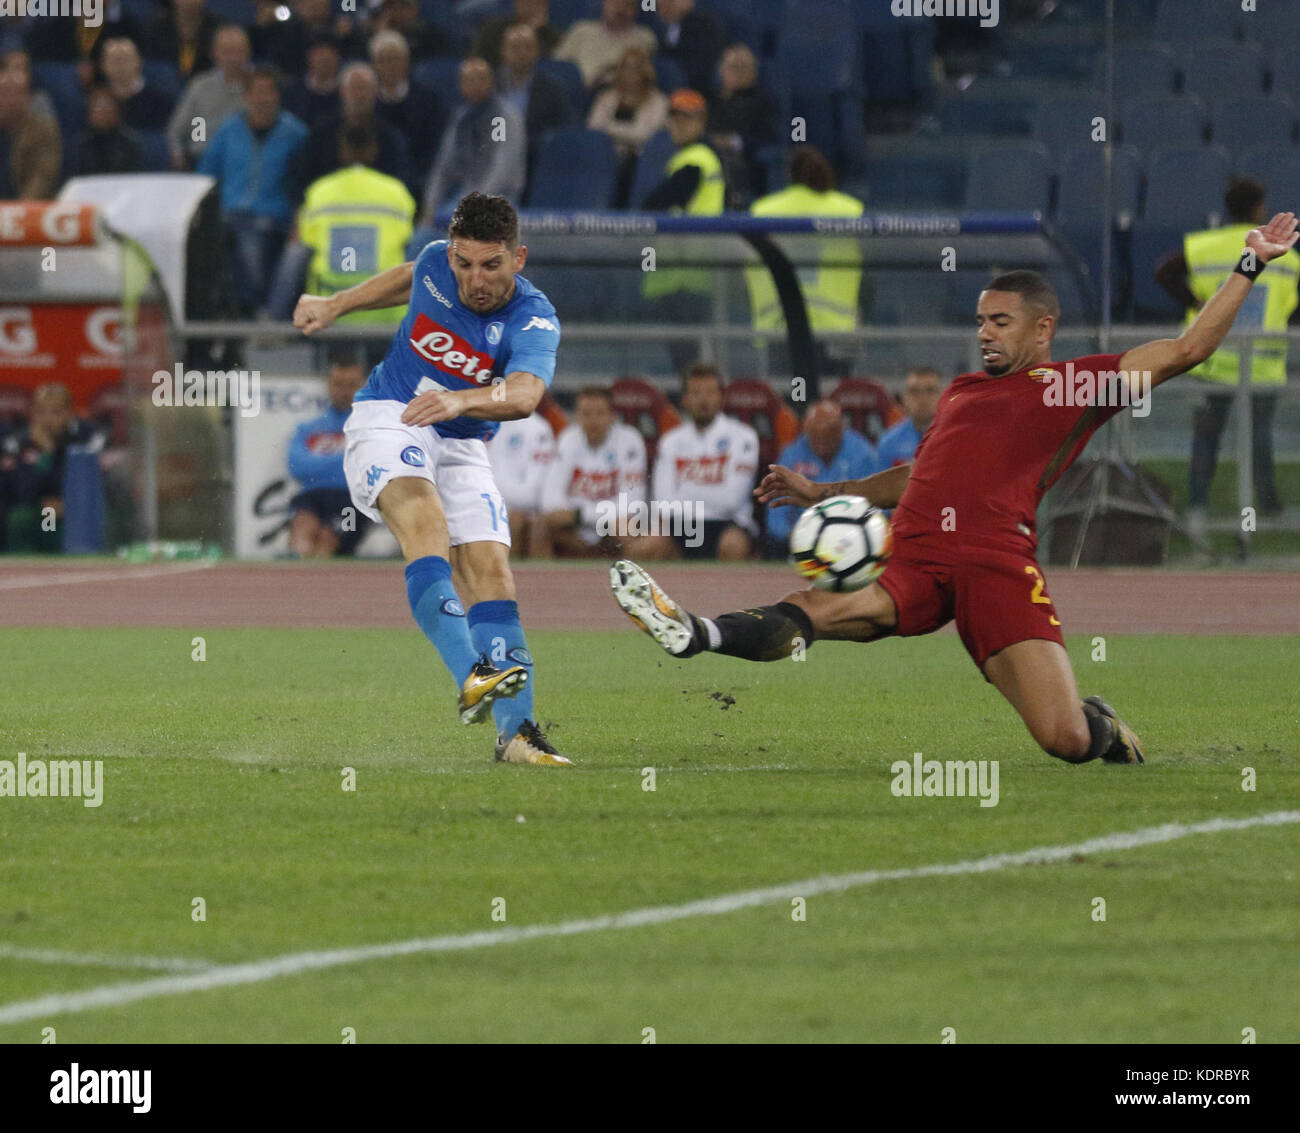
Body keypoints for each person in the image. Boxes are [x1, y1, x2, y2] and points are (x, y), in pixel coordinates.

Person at [612, 216, 1300, 766]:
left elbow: (1186, 350)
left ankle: (1103, 728)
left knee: (1062, 738)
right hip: (913, 556)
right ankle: (696, 631)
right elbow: (922, 475)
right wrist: (826, 490)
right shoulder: (964, 392)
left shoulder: (1070, 386)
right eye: (979, 320)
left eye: (999, 321)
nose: (984, 333)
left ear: (1043, 328)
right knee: (811, 609)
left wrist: (1249, 262)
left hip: (996, 564)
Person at [292, 191, 572, 766]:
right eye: (464, 264)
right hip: (388, 417)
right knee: (425, 519)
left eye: (491, 265)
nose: (476, 280)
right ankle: (472, 672)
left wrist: (459, 400)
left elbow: (525, 395)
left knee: (491, 570)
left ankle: (518, 735)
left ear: (518, 258)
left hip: (462, 436)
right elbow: (406, 276)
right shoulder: (433, 264)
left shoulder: (534, 318)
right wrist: (337, 304)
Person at [1156, 178, 1300, 532]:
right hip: (1261, 363)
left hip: (1211, 358)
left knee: (1206, 439)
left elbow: (1164, 272)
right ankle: (1267, 509)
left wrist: (1197, 303)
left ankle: (1197, 510)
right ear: (1259, 208)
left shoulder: (1204, 246)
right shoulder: (1287, 256)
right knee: (1259, 441)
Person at [198, 67, 309, 316]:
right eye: (257, 92)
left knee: (252, 240)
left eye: (269, 92)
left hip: (271, 215)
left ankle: (256, 311)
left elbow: (303, 182)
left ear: (278, 97)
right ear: (246, 96)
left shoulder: (296, 134)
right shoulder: (228, 130)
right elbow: (206, 173)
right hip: (228, 212)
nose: (263, 98)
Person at [627, 362, 758, 561]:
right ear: (685, 399)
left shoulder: (744, 437)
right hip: (680, 526)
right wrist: (709, 494)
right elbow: (663, 502)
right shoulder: (670, 441)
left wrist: (686, 491)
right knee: (644, 548)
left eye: (710, 393)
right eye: (696, 393)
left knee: (733, 545)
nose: (703, 400)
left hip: (727, 525)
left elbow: (731, 501)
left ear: (720, 397)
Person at [745, 146, 864, 364]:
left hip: (781, 328)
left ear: (788, 175)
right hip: (836, 329)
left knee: (789, 396)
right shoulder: (850, 210)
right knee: (832, 397)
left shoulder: (763, 211)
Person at [294, 124, 416, 334]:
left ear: (342, 150)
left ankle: (270, 320)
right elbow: (407, 238)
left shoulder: (319, 191)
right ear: (374, 150)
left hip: (329, 310)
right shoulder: (396, 192)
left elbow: (305, 239)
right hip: (387, 310)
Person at [640, 89, 725, 373]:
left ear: (701, 122)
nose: (679, 125)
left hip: (688, 274)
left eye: (686, 119)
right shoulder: (686, 158)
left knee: (690, 356)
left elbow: (656, 202)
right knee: (685, 355)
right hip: (680, 274)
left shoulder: (697, 159)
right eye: (674, 118)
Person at [539, 386, 646, 557]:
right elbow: (550, 500)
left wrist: (580, 515)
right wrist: (578, 518)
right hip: (574, 529)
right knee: (541, 525)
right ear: (577, 417)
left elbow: (631, 503)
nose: (593, 421)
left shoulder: (630, 440)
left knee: (627, 528)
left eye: (599, 413)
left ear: (613, 416)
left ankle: (626, 580)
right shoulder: (568, 439)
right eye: (586, 414)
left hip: (612, 526)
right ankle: (544, 582)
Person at [762, 400, 879, 556]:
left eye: (828, 435)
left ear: (840, 431)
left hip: (850, 539)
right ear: (806, 430)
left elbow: (876, 505)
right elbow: (776, 511)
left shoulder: (862, 454)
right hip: (799, 540)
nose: (821, 443)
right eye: (815, 435)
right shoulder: (791, 455)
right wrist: (794, 536)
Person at [287, 353, 374, 557]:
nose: (344, 391)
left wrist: (319, 466)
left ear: (363, 385)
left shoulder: (371, 427)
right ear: (328, 386)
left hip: (353, 501)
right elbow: (297, 467)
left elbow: (368, 467)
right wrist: (346, 461)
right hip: (312, 497)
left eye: (351, 384)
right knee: (302, 530)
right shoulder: (308, 428)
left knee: (329, 538)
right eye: (338, 384)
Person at [421, 58, 526, 223]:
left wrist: (476, 204)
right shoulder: (460, 118)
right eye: (469, 80)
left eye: (481, 78)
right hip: (463, 196)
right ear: (461, 85)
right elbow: (444, 165)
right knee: (424, 236)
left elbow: (502, 167)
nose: (475, 84)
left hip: (499, 199)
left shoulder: (501, 119)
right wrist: (431, 205)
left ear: (491, 82)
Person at [0, 384, 101, 554]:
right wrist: (45, 452)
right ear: (33, 414)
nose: (47, 419)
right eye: (41, 412)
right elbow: (22, 490)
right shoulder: (20, 441)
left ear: (69, 413)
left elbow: (88, 481)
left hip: (75, 509)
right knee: (22, 518)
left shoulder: (86, 436)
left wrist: (67, 502)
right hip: (38, 510)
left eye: (55, 412)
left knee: (59, 523)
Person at [304, 62, 411, 189]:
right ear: (342, 91)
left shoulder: (389, 136)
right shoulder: (321, 133)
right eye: (355, 87)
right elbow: (306, 175)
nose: (360, 95)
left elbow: (402, 178)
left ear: (375, 93)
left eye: (365, 88)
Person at [587, 46, 668, 203]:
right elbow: (593, 130)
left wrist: (609, 130)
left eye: (636, 67)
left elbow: (646, 135)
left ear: (646, 71)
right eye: (626, 66)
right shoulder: (606, 98)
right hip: (604, 158)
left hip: (639, 162)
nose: (630, 72)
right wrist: (625, 135)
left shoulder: (659, 101)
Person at [166, 23, 251, 169]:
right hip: (202, 160)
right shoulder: (200, 86)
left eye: (238, 51)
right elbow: (178, 130)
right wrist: (179, 155)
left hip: (246, 162)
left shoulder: (258, 87)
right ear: (214, 53)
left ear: (248, 52)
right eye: (226, 52)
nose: (233, 58)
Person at [370, 29, 444, 182]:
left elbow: (436, 148)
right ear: (374, 65)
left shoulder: (429, 101)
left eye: (394, 59)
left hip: (421, 177)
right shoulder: (368, 103)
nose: (389, 66)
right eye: (383, 60)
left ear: (406, 62)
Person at [497, 23, 569, 178]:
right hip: (495, 158)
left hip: (535, 161)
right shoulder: (492, 87)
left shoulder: (552, 89)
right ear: (504, 51)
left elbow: (560, 132)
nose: (522, 53)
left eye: (528, 47)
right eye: (515, 48)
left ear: (537, 52)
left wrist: (520, 145)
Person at [707, 43, 777, 197]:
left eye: (742, 67)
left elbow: (769, 137)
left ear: (754, 72)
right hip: (709, 154)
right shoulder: (712, 101)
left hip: (747, 162)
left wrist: (733, 141)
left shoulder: (764, 101)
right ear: (721, 71)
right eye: (731, 67)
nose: (736, 73)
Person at [486, 411, 556, 557]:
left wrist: (488, 495)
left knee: (514, 520)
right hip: (482, 503)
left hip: (517, 510)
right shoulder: (476, 423)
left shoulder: (538, 429)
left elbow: (533, 495)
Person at [553, 0, 657, 90]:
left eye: (628, 4)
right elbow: (557, 66)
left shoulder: (644, 38)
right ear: (604, 3)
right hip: (574, 94)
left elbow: (642, 75)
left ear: (636, 9)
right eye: (616, 2)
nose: (620, 10)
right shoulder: (581, 31)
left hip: (614, 97)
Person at [0, 68, 61, 200]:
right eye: (4, 93)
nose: (11, 100)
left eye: (17, 93)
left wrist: (19, 212)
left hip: (27, 209)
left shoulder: (44, 129)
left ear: (28, 97)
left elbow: (43, 175)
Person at [651, 0, 726, 96]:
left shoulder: (703, 24)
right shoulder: (658, 26)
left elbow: (701, 67)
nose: (660, 4)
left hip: (693, 88)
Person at [99, 37, 174, 132]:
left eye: (126, 59)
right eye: (115, 60)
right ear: (102, 65)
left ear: (139, 62)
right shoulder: (95, 100)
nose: (120, 65)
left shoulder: (161, 101)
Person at [876, 367, 943, 467]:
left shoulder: (954, 440)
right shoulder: (888, 443)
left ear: (942, 396)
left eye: (930, 390)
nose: (922, 398)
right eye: (914, 391)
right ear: (904, 398)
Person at [70, 87, 144, 178]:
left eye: (107, 105)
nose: (102, 112)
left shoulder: (130, 144)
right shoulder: (79, 146)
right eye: (97, 106)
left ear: (117, 112)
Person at [473, 0, 560, 69]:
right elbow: (477, 62)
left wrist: (533, 31)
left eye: (537, 2)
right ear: (516, 3)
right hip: (496, 85)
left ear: (545, 6)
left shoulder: (551, 36)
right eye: (526, 1)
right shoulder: (493, 30)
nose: (530, 6)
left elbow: (553, 65)